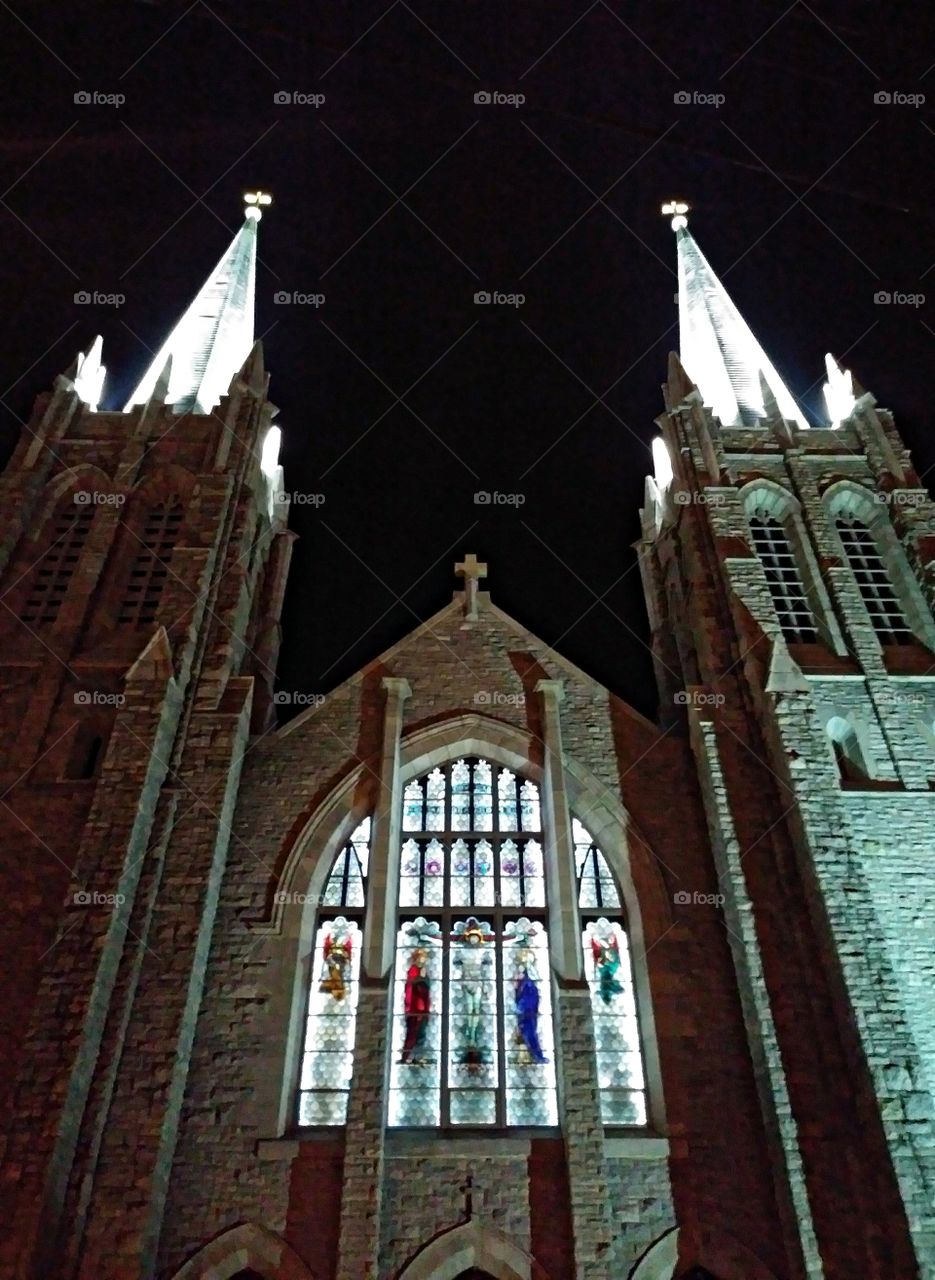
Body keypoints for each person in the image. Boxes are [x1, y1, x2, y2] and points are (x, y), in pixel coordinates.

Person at [513, 949, 547, 1064]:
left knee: (531, 1031)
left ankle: (535, 1055)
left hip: (531, 1006)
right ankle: (528, 1056)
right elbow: (516, 987)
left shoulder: (531, 974)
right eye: (525, 958)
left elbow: (536, 978)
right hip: (523, 1006)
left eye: (529, 958)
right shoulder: (521, 973)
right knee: (525, 1030)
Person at [400, 946, 431, 1063]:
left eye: (423, 958)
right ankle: (406, 1056)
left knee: (421, 1034)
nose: (421, 960)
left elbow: (427, 986)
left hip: (423, 1008)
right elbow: (411, 985)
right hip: (414, 1008)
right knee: (412, 1033)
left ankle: (417, 1057)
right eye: (419, 958)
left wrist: (424, 980)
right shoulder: (413, 970)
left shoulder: (424, 971)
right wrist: (420, 979)